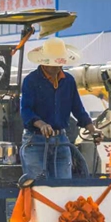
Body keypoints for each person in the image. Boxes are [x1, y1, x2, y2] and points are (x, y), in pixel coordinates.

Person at [20, 37, 100, 179]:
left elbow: (78, 109)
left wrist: (92, 129)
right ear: (44, 62)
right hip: (35, 140)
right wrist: (41, 124)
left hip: (61, 140)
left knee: (65, 184)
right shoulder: (31, 81)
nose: (58, 66)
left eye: (60, 62)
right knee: (39, 186)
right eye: (54, 62)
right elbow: (25, 110)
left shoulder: (68, 81)